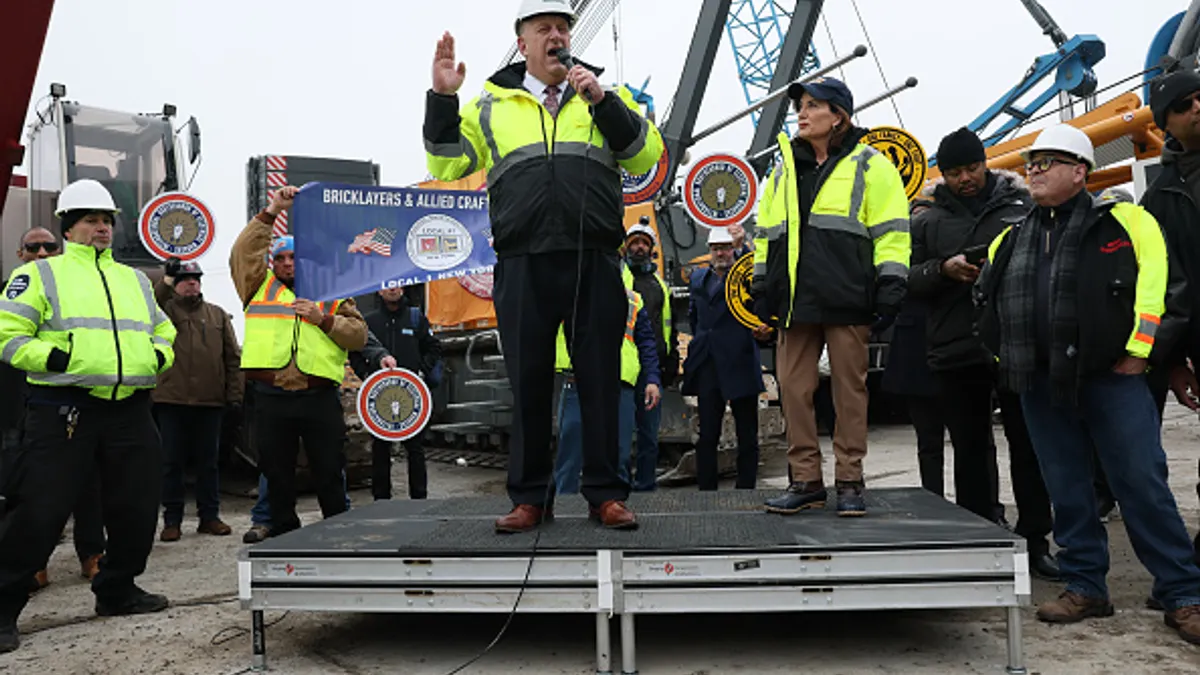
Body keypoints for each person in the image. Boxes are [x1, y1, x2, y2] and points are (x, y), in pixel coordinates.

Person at [424, 0, 665, 532]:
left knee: (601, 380)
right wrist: (443, 97)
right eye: (544, 29)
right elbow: (444, 162)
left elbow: (645, 156)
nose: (556, 36)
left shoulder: (608, 95)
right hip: (523, 260)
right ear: (523, 42)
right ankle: (531, 498)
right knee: (529, 382)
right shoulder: (490, 106)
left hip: (594, 259)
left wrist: (601, 102)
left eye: (563, 27)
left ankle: (606, 494)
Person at [975, 124, 1200, 644]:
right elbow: (986, 305)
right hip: (1040, 384)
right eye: (1031, 163)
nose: (1035, 170)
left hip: (1112, 379)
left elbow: (1161, 289)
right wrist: (1002, 357)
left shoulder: (1127, 222)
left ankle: (1182, 592)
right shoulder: (1012, 236)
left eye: (1048, 162)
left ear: (1080, 172)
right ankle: (1085, 587)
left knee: (1141, 483)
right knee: (1068, 488)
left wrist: (1139, 355)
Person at [0, 179, 177, 654]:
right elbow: (8, 334)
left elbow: (163, 330)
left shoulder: (135, 280)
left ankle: (117, 590)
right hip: (64, 407)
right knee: (39, 509)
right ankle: (2, 608)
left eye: (106, 220)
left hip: (130, 409)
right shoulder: (41, 275)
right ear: (70, 228)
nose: (101, 228)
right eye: (90, 220)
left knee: (138, 506)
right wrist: (59, 361)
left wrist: (157, 359)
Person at [908, 127, 1058, 580]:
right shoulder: (926, 221)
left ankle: (1034, 539)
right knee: (971, 449)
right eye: (954, 172)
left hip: (1015, 345)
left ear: (985, 163)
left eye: (972, 168)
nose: (965, 179)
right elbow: (905, 279)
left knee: (1028, 445)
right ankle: (980, 534)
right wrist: (942, 269)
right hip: (955, 348)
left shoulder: (1023, 207)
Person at [756, 77, 911, 516]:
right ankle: (805, 480)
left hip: (848, 296)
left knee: (849, 392)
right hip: (795, 300)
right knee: (792, 388)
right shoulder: (785, 167)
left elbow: (893, 231)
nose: (801, 114)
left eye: (812, 106)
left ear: (838, 115)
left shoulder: (871, 164)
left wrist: (891, 283)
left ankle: (849, 480)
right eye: (800, 106)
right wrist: (761, 283)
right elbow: (767, 230)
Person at [230, 186, 366, 539]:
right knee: (276, 470)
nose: (288, 264)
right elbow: (244, 251)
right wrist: (272, 211)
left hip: (318, 395)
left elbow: (358, 336)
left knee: (329, 467)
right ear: (271, 263)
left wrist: (323, 319)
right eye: (280, 259)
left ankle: (337, 526)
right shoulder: (256, 286)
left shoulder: (330, 289)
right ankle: (282, 528)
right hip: (272, 394)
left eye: (294, 257)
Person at [2, 228, 105, 590]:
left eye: (49, 246)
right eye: (33, 247)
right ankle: (34, 563)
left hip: (74, 403)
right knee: (32, 492)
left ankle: (93, 555)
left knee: (87, 484)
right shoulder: (9, 292)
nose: (42, 252)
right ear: (20, 253)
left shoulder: (75, 293)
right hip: (20, 408)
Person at [1142, 68, 1200, 567]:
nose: (1197, 108)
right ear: (1166, 123)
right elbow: (1160, 286)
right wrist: (1174, 359)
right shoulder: (1158, 197)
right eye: (1185, 105)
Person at [154, 258, 242, 542]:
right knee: (171, 463)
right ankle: (172, 520)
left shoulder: (217, 315)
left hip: (209, 401)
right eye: (184, 279)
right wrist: (166, 279)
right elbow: (153, 301)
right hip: (172, 401)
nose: (191, 282)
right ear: (175, 285)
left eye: (195, 278)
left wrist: (234, 396)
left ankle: (210, 517)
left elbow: (232, 358)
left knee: (209, 463)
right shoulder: (162, 313)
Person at [555, 266, 661, 494]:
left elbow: (646, 343)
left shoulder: (633, 300)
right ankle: (566, 503)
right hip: (577, 379)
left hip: (619, 381)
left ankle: (615, 501)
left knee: (619, 452)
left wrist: (652, 379)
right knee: (571, 452)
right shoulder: (568, 292)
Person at [683, 227, 763, 490]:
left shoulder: (744, 276)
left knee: (747, 434)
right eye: (716, 248)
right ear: (709, 251)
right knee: (707, 434)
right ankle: (707, 490)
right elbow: (696, 319)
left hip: (740, 362)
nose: (721, 253)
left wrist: (742, 249)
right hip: (709, 365)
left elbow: (756, 275)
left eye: (726, 247)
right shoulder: (698, 280)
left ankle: (746, 488)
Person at [880, 199, 946, 496]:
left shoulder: (950, 252)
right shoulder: (899, 259)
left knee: (974, 439)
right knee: (928, 440)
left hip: (954, 352)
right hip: (916, 355)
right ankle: (933, 498)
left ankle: (984, 509)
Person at [362, 288, 442, 501]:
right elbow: (356, 351)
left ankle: (419, 498)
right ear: (379, 290)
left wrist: (421, 372)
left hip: (412, 394)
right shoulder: (369, 321)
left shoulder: (415, 318)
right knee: (380, 448)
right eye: (387, 285)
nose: (392, 289)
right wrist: (368, 377)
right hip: (380, 396)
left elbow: (433, 348)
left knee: (415, 448)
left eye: (397, 284)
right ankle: (381, 499)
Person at [623, 221, 677, 490]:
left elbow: (669, 325)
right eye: (634, 242)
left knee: (648, 434)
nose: (639, 247)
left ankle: (645, 484)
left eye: (644, 242)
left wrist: (669, 360)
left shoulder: (659, 285)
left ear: (652, 248)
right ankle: (619, 484)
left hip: (650, 369)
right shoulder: (620, 277)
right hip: (622, 367)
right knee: (620, 433)